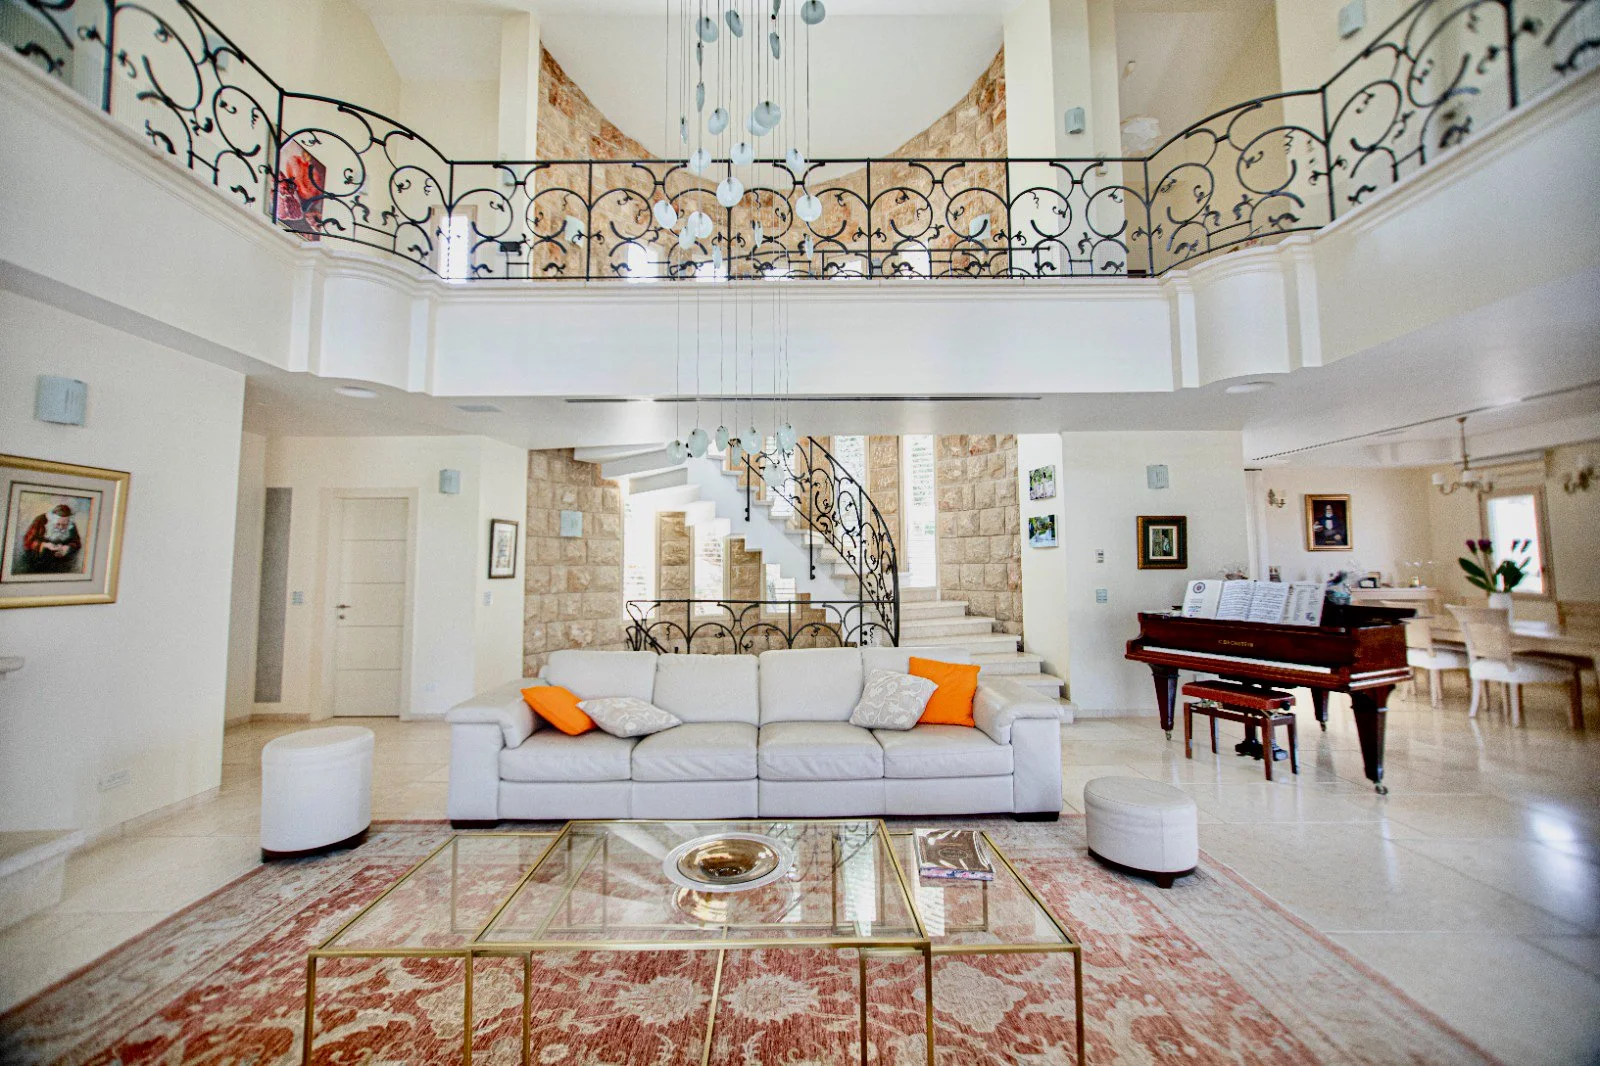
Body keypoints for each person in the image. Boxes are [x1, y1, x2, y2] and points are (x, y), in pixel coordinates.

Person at [21, 503, 83, 573]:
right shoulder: (40, 520)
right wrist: (44, 545)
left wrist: (67, 548)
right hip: (38, 563)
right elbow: (27, 542)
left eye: (64, 525)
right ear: (52, 520)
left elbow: (77, 543)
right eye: (58, 524)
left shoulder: (71, 524)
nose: (60, 528)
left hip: (61, 565)